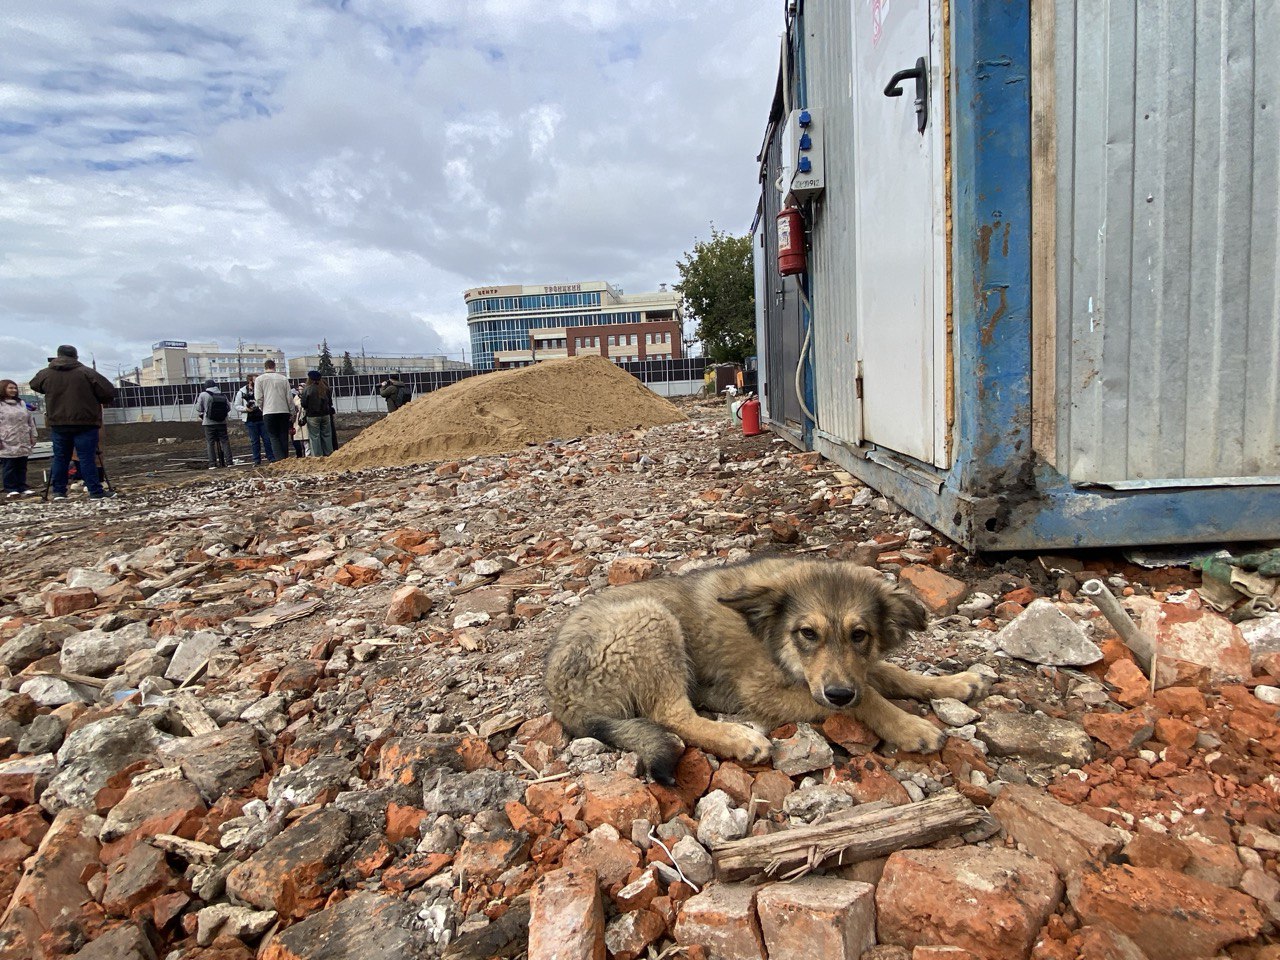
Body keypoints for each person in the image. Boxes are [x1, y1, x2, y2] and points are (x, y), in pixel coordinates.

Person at [29, 345, 116, 500]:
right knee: (87, 457)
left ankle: (58, 492)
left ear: (57, 356)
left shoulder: (47, 373)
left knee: (61, 458)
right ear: (76, 357)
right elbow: (108, 391)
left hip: (58, 421)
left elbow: (34, 384)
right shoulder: (86, 372)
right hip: (85, 421)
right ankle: (95, 491)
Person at [0, 379, 39, 497]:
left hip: (23, 438)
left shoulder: (21, 403)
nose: (13, 390)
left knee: (22, 464)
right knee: (9, 465)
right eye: (10, 388)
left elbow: (30, 420)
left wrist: (33, 435)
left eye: (15, 388)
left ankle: (22, 486)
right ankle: (10, 488)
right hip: (7, 439)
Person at [255, 359, 291, 461]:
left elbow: (258, 397)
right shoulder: (283, 379)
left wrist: (261, 407)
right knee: (284, 435)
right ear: (274, 366)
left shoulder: (259, 379)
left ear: (265, 367)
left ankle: (279, 459)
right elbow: (289, 397)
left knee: (273, 436)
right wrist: (291, 411)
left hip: (269, 411)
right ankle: (286, 458)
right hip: (283, 410)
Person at [195, 379, 233, 469]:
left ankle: (212, 464)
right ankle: (229, 462)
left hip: (208, 423)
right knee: (225, 441)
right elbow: (229, 407)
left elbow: (198, 408)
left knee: (210, 442)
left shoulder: (203, 395)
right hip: (222, 422)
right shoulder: (222, 394)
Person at [233, 374, 270, 465]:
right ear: (250, 381)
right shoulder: (242, 392)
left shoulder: (262, 390)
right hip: (250, 420)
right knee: (254, 441)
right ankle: (257, 460)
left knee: (267, 440)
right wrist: (246, 409)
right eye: (255, 380)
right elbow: (236, 405)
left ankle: (271, 458)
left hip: (262, 418)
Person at [300, 371, 335, 457]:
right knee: (327, 435)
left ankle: (317, 456)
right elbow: (330, 402)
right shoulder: (326, 388)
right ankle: (329, 454)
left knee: (314, 437)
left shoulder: (307, 389)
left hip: (312, 416)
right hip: (326, 415)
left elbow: (304, 403)